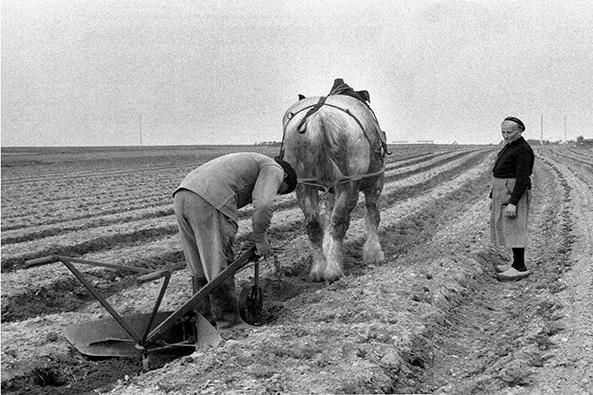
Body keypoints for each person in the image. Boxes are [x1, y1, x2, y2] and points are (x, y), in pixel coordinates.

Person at [173, 152, 297, 329]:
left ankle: (204, 322)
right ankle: (230, 323)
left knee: (199, 265)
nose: (276, 191)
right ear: (284, 176)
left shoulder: (252, 160)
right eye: (279, 189)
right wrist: (260, 239)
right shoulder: (274, 168)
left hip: (182, 194)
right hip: (210, 199)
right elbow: (263, 204)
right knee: (218, 263)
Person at [490, 116, 535, 281]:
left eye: (510, 132)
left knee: (515, 228)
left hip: (513, 192)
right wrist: (492, 197)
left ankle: (520, 267)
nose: (506, 135)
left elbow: (523, 178)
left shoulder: (523, 149)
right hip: (503, 191)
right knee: (509, 228)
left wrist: (513, 203)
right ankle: (515, 262)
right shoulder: (509, 146)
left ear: (520, 131)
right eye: (503, 132)